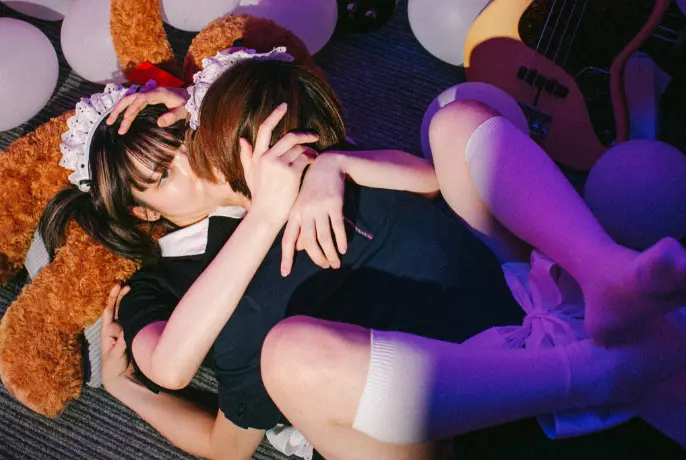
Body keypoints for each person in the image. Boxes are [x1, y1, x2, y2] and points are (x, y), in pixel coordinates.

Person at [52, 49, 686, 460]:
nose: (192, 167)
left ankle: (605, 274)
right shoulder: (157, 284)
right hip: (418, 417)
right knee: (289, 354)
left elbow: (435, 178)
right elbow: (170, 369)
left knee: (454, 122)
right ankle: (587, 374)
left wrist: (332, 165)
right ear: (143, 213)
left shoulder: (278, 159)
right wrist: (129, 392)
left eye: (185, 144)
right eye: (165, 176)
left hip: (501, 292)